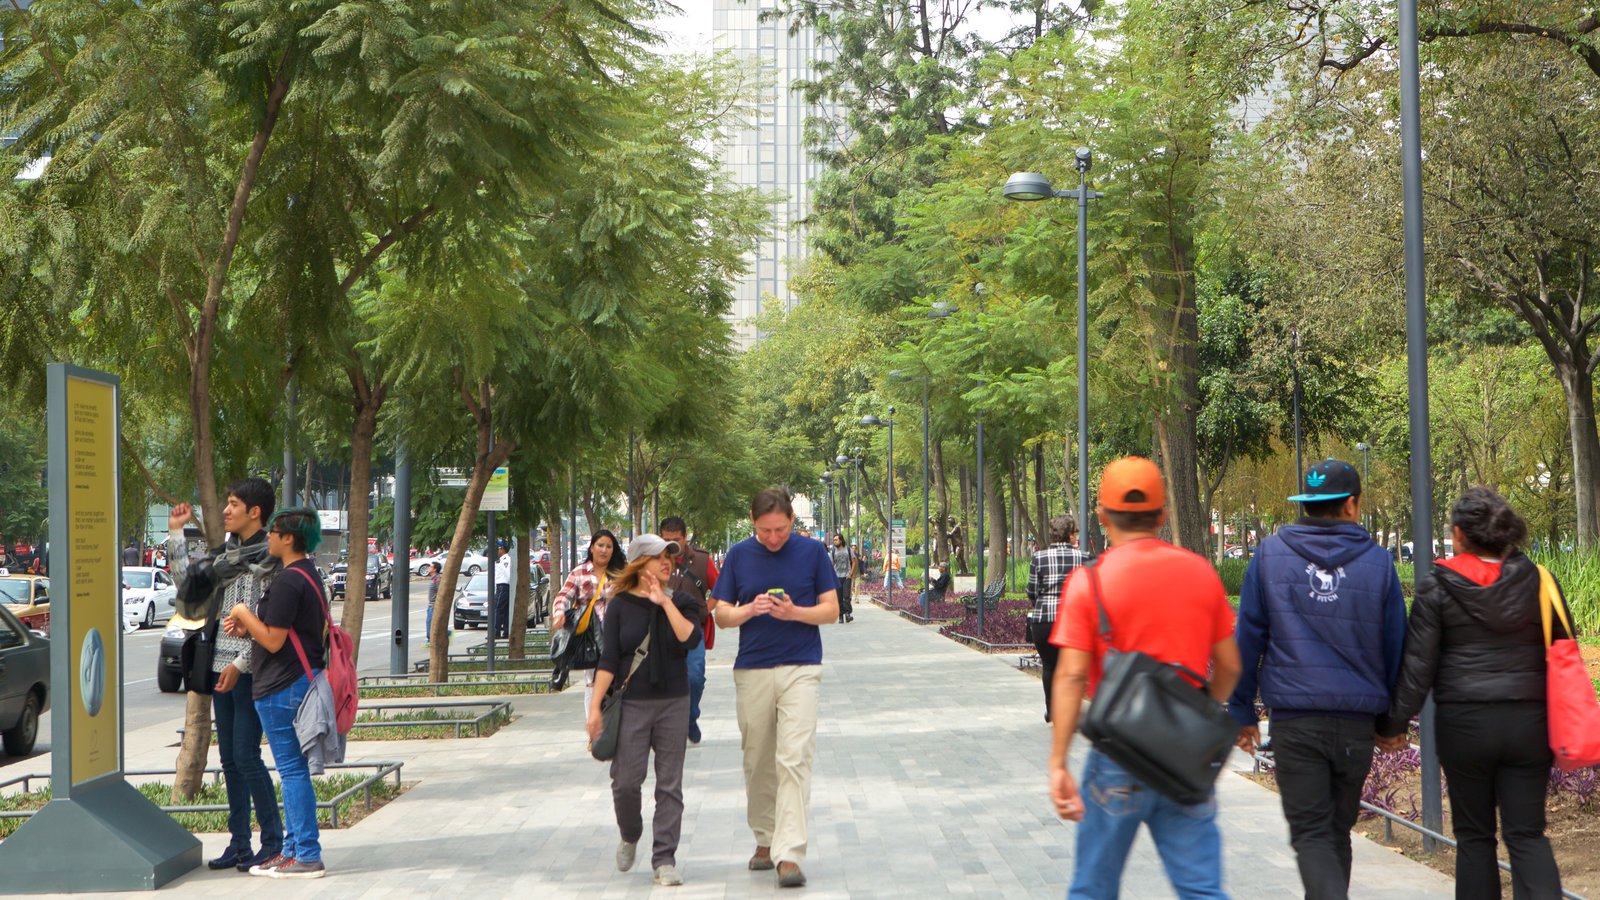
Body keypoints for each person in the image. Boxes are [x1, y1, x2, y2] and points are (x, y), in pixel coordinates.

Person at [1049, 457, 1241, 899]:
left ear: (1102, 516)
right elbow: (1231, 665)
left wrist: (1058, 763)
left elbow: (1071, 676)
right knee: (1202, 890)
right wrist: (1201, 714)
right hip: (1184, 758)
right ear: (1163, 515)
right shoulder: (1200, 572)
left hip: (1116, 757)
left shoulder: (1088, 582)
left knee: (1093, 889)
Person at [1226, 459, 1406, 900]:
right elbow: (1396, 647)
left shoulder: (1269, 556)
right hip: (1355, 726)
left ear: (1306, 504)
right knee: (1335, 832)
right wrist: (1391, 722)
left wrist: (1241, 710)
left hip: (1296, 722)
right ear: (1351, 504)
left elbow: (1248, 637)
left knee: (1312, 834)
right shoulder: (1379, 564)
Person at [1377, 488, 1564, 899]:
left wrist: (1392, 725)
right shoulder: (1539, 580)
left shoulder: (1437, 585)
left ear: (1459, 534)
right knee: (1527, 834)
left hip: (1464, 726)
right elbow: (1562, 650)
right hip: (1529, 725)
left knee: (1475, 838)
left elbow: (1417, 667)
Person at [711, 488, 840, 889]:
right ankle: (765, 840)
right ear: (752, 521)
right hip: (753, 668)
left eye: (781, 530)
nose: (773, 538)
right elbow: (721, 616)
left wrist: (794, 612)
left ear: (792, 521)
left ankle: (789, 855)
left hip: (801, 666)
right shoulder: (738, 555)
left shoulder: (813, 552)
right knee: (758, 760)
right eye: (765, 530)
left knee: (794, 758)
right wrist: (750, 609)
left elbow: (831, 609)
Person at [166, 478, 283, 874]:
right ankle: (240, 844)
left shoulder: (273, 558)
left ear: (255, 511)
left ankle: (272, 841)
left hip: (251, 670)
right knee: (230, 759)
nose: (226, 511)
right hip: (219, 667)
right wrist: (176, 533)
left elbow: (273, 625)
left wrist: (240, 665)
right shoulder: (224, 557)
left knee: (247, 755)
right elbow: (187, 586)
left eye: (233, 504)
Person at [587, 534, 705, 888]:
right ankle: (630, 833)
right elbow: (609, 659)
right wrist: (595, 708)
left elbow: (690, 639)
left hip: (673, 702)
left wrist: (664, 602)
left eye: (670, 556)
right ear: (640, 563)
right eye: (658, 557)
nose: (666, 562)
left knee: (669, 785)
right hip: (633, 704)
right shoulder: (620, 605)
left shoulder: (681, 601)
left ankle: (664, 859)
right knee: (625, 781)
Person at [221, 507, 328, 880]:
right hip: (298, 679)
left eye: (274, 532)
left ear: (288, 538)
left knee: (292, 770)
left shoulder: (288, 581)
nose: (268, 536)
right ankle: (292, 851)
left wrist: (242, 612)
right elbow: (279, 631)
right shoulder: (308, 574)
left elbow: (273, 639)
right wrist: (248, 627)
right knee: (293, 768)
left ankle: (307, 854)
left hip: (283, 685)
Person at [658, 516, 720, 746]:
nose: (672, 544)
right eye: (667, 540)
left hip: (694, 629)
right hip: (662, 629)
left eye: (676, 540)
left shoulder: (701, 560)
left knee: (694, 675)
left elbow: (720, 587)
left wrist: (707, 608)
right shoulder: (654, 559)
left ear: (685, 538)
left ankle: (690, 717)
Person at [553, 529, 627, 712]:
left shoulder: (622, 571)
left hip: (618, 632)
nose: (604, 550)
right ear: (592, 548)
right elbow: (563, 596)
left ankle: (613, 722)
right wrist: (559, 613)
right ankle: (594, 725)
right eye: (600, 545)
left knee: (619, 679)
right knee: (592, 682)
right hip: (591, 636)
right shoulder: (579, 572)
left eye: (609, 546)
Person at [1026, 514, 1089, 724]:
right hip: (1074, 621)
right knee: (1073, 668)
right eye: (1075, 533)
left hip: (1043, 621)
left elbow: (1031, 590)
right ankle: (1071, 710)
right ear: (1070, 535)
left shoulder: (1039, 558)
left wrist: (1042, 603)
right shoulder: (1084, 558)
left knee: (1049, 666)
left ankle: (1052, 709)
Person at [828, 533, 855, 624]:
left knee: (846, 596)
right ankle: (840, 615)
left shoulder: (848, 550)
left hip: (847, 576)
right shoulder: (833, 551)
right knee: (839, 598)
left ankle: (847, 614)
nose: (835, 541)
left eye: (836, 540)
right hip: (837, 577)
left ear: (841, 540)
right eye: (834, 540)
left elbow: (853, 562)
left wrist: (851, 573)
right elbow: (832, 564)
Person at [493, 543, 512, 639]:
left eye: (498, 548)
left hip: (503, 586)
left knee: (498, 609)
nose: (497, 551)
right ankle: (505, 631)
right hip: (502, 586)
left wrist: (508, 585)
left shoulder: (506, 560)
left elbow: (507, 574)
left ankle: (496, 632)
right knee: (504, 610)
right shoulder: (501, 560)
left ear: (503, 549)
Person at [424, 561, 443, 647]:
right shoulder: (433, 578)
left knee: (430, 622)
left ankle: (430, 640)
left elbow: (440, 592)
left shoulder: (437, 579)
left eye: (430, 567)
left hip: (433, 605)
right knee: (432, 623)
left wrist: (437, 604)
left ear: (435, 569)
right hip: (431, 605)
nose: (429, 568)